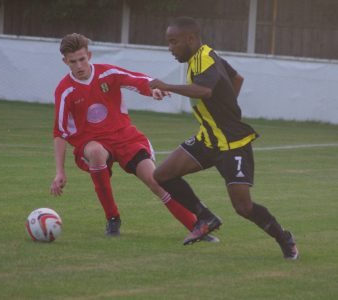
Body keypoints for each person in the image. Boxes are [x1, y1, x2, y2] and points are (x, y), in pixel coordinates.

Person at [149, 17, 299, 259]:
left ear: (190, 39)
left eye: (173, 42)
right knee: (161, 175)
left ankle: (284, 237)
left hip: (232, 144)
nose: (170, 48)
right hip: (207, 139)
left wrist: (167, 85)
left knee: (243, 207)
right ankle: (205, 217)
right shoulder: (201, 57)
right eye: (168, 42)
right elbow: (236, 78)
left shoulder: (205, 58)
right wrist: (226, 106)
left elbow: (205, 90)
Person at [50, 33, 218, 242]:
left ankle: (196, 227)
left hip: (126, 138)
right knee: (95, 152)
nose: (79, 66)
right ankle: (113, 218)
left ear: (89, 55)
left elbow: (137, 80)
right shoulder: (65, 90)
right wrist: (59, 172)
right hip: (91, 142)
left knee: (156, 181)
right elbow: (59, 133)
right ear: (65, 61)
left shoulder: (107, 74)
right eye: (73, 61)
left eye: (82, 59)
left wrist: (154, 89)